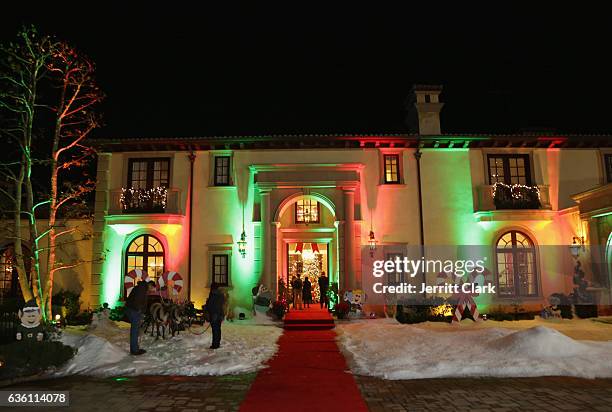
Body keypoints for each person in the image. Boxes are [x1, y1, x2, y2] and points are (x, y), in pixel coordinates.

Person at [125, 280, 156, 355]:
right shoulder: (142, 288)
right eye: (152, 289)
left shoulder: (142, 288)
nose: (152, 291)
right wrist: (139, 311)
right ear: (150, 285)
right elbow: (138, 301)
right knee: (135, 330)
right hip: (134, 310)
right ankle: (135, 350)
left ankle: (135, 348)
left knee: (135, 330)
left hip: (133, 310)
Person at [205, 282, 225, 349]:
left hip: (215, 314)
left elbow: (214, 305)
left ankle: (215, 344)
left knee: (215, 330)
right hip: (218, 314)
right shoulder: (219, 294)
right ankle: (217, 343)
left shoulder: (214, 294)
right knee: (217, 329)